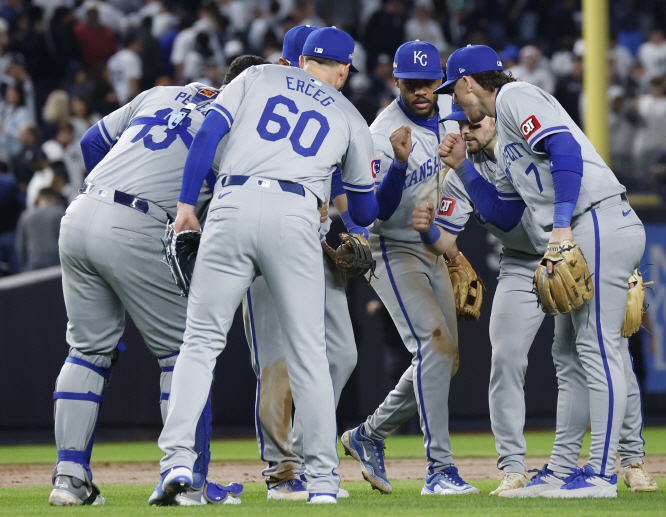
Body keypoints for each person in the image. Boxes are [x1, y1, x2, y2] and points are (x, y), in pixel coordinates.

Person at [155, 27, 378, 506]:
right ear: (342, 68)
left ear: (301, 60)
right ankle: (320, 483)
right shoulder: (349, 113)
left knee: (200, 341)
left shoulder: (257, 75)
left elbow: (209, 133)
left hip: (232, 202)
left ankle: (176, 461)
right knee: (309, 353)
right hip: (295, 214)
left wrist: (186, 206)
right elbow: (363, 211)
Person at [436, 44, 647, 498]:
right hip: (589, 224)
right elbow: (505, 215)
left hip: (595, 218)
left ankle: (603, 473)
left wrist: (562, 227)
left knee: (597, 347)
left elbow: (565, 149)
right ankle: (560, 469)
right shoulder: (503, 139)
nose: (456, 103)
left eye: (454, 92)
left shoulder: (514, 98)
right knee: (570, 355)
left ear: (468, 82)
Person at [50, 74, 242, 506]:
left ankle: (69, 479)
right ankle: (188, 481)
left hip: (81, 211)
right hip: (139, 223)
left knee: (86, 351)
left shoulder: (162, 92)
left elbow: (89, 144)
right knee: (184, 353)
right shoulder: (234, 119)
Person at [341, 41, 478, 497]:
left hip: (430, 247)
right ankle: (439, 470)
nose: (422, 91)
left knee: (447, 360)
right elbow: (375, 212)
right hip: (392, 248)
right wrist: (399, 165)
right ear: (396, 81)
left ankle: (369, 434)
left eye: (428, 82)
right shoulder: (383, 133)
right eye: (412, 83)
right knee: (434, 350)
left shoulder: (447, 110)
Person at [240, 26, 361, 502]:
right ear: (293, 64)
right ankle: (281, 471)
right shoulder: (258, 94)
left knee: (342, 352)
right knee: (275, 363)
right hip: (261, 239)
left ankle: (309, 453)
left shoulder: (330, 108)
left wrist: (344, 230)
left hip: (312, 243)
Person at [15, 187, 63, 271]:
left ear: (39, 199)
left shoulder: (26, 216)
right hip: (55, 257)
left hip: (34, 258)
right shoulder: (58, 214)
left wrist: (24, 263)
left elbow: (20, 245)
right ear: (53, 199)